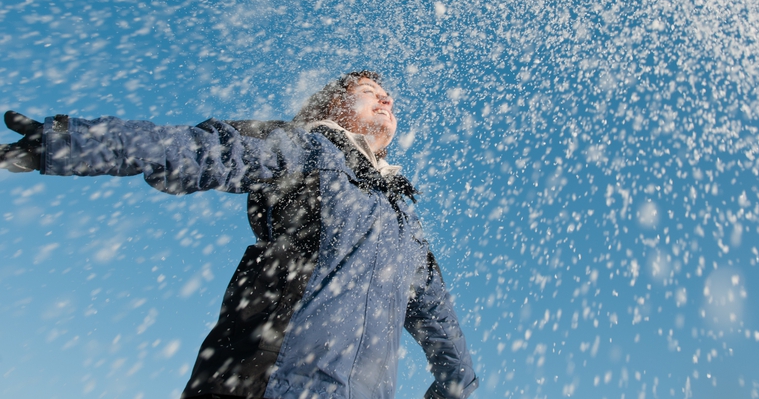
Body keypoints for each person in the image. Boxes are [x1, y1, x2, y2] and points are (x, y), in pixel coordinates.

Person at [0, 70, 478, 399]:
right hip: (258, 379)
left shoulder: (403, 224)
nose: (387, 99)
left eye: (387, 95)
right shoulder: (305, 149)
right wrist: (72, 142)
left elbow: (443, 328)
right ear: (335, 102)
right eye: (371, 91)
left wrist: (454, 386)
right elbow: (201, 150)